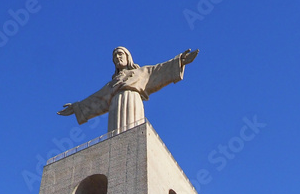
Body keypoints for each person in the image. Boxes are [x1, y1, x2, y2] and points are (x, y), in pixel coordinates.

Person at [58, 47, 199, 133]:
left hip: (133, 100)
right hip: (115, 106)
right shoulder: (112, 84)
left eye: (120, 54)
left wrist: (180, 61)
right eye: (115, 56)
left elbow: (159, 69)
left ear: (127, 57)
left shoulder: (141, 72)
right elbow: (96, 99)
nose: (118, 57)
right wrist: (76, 108)